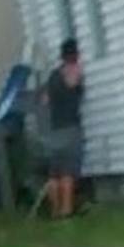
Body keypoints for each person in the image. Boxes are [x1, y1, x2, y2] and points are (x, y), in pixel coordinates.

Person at [42, 38, 85, 219]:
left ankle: (55, 210)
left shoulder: (52, 76)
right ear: (74, 54)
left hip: (54, 129)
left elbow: (44, 100)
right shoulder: (73, 70)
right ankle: (67, 210)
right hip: (70, 127)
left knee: (54, 174)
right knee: (68, 172)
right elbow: (73, 83)